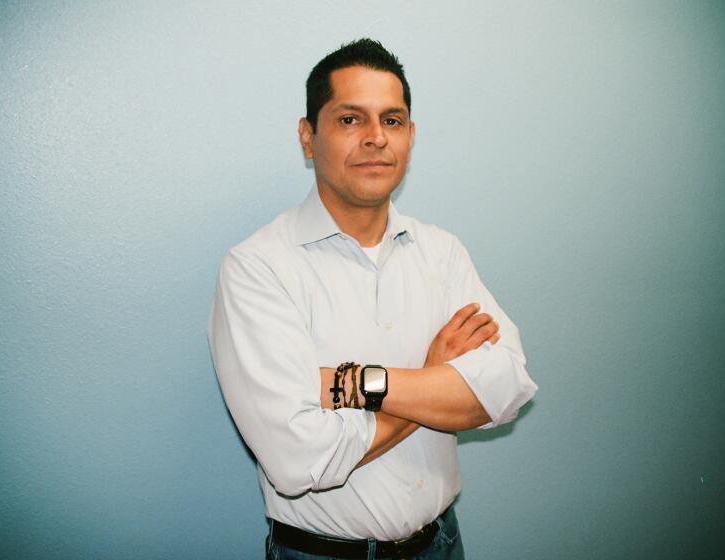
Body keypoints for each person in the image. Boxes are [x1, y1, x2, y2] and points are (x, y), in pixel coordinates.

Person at [208, 38, 538, 560]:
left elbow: (509, 386)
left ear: (410, 135)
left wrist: (358, 383)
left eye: (392, 120)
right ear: (307, 137)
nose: (375, 139)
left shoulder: (442, 253)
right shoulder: (258, 268)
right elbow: (296, 460)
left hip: (441, 545)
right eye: (349, 120)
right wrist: (435, 380)